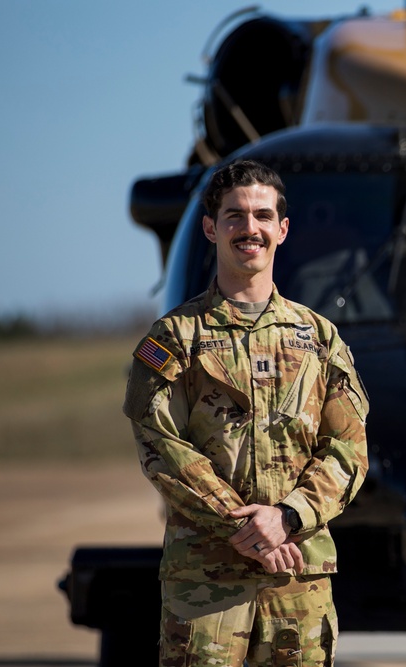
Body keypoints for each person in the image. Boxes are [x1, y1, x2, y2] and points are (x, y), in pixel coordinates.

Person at [123, 159, 369, 666]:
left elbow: (348, 449)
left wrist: (287, 517)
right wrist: (248, 530)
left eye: (262, 215)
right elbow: (161, 447)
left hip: (297, 577)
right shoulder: (173, 338)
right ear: (211, 228)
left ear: (282, 229)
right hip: (207, 586)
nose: (249, 229)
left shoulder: (319, 338)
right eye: (234, 216)